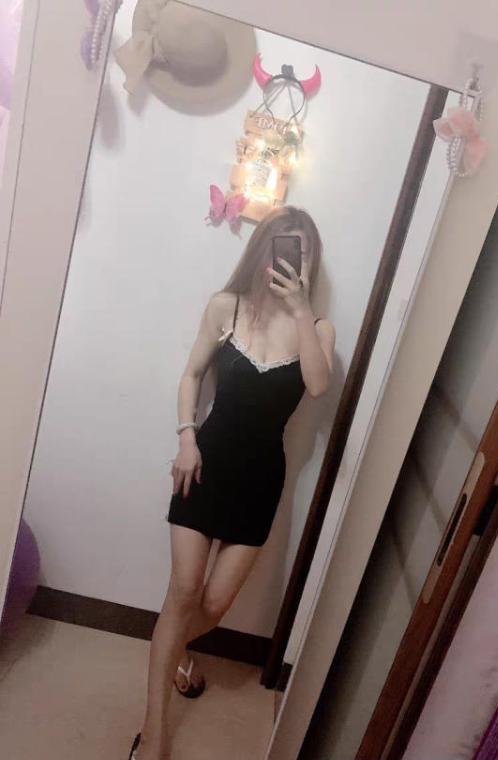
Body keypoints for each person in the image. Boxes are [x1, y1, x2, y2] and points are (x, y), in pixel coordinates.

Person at [129, 206, 335, 760]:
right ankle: (154, 733)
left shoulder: (318, 329)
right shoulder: (227, 306)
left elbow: (318, 386)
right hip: (205, 463)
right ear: (261, 249)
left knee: (214, 605)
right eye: (281, 245)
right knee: (184, 591)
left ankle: (173, 649)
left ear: (310, 260)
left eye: (301, 249)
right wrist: (186, 437)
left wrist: (301, 308)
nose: (290, 257)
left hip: (261, 479)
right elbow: (192, 374)